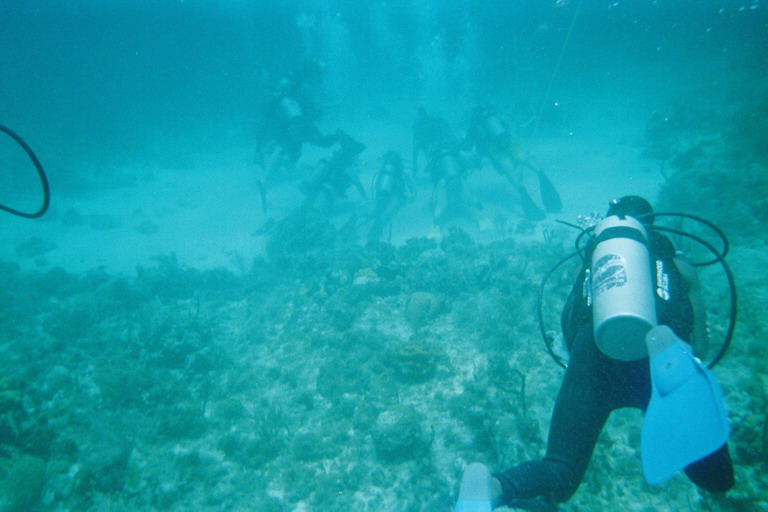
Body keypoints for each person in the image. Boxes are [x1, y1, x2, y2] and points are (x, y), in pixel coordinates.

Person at [455, 196, 734, 511]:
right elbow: (700, 345)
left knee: (561, 469)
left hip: (595, 354)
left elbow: (571, 320)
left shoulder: (592, 262)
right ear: (650, 223)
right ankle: (667, 360)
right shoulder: (680, 267)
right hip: (660, 354)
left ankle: (494, 488)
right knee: (717, 479)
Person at [464, 106, 562, 221]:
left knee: (510, 172)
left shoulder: (475, 127)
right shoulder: (494, 118)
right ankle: (542, 177)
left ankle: (524, 193)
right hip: (509, 142)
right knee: (527, 162)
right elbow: (507, 127)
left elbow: (477, 148)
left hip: (496, 150)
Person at [299, 131, 367, 213]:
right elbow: (358, 185)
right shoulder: (349, 168)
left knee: (309, 205)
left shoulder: (331, 160)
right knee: (319, 211)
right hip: (326, 191)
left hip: (316, 188)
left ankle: (303, 212)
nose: (357, 158)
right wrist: (366, 199)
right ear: (351, 156)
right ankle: (308, 213)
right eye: (355, 156)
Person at [367, 151, 414, 243]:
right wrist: (410, 192)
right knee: (388, 212)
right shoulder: (399, 171)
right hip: (392, 193)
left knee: (379, 209)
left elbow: (376, 182)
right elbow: (406, 183)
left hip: (381, 192)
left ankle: (369, 226)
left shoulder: (384, 170)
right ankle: (374, 234)